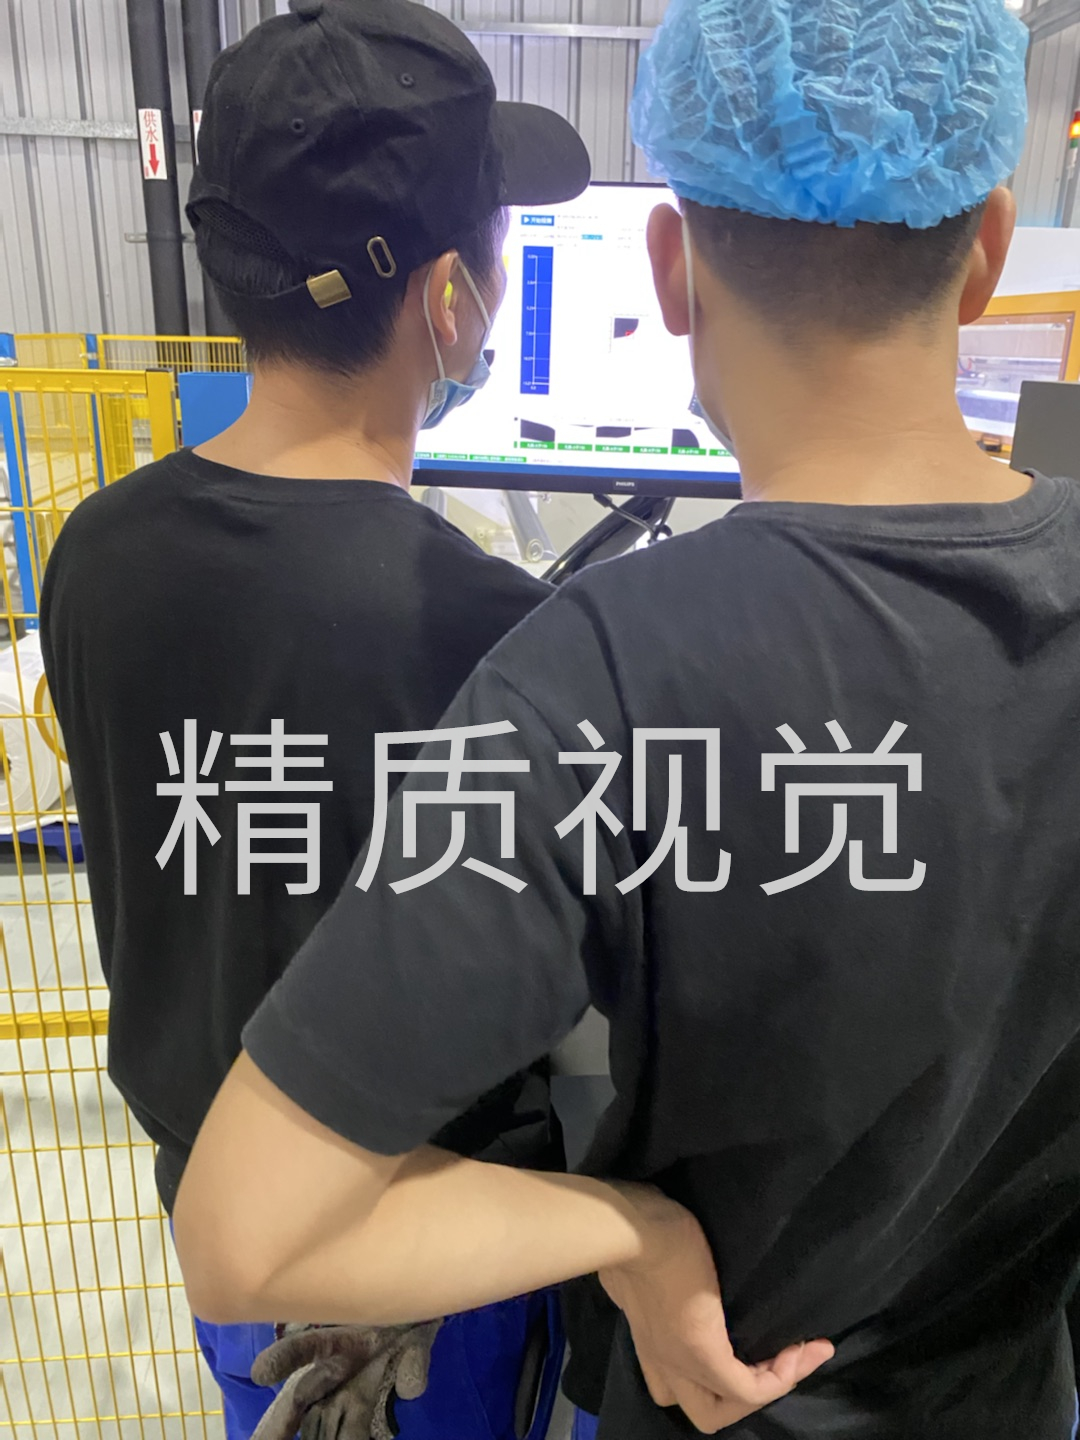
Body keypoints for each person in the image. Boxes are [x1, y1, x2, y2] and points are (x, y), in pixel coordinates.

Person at [174, 0, 1080, 1437]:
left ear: (668, 267)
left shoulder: (596, 675)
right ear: (986, 253)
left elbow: (245, 1233)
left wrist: (628, 1231)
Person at [39, 2, 590, 1438]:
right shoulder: (488, 627)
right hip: (419, 1272)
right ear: (449, 300)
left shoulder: (94, 552)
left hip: (222, 1231)